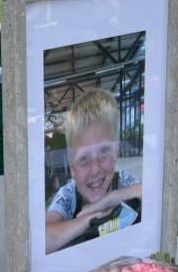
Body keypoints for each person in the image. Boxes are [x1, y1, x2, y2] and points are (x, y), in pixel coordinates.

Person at [45, 89, 142, 254]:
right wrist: (93, 218)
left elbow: (153, 193)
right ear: (72, 167)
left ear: (116, 152)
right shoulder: (68, 196)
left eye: (104, 151)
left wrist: (108, 200)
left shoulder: (123, 182)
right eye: (83, 158)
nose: (95, 169)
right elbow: (45, 240)